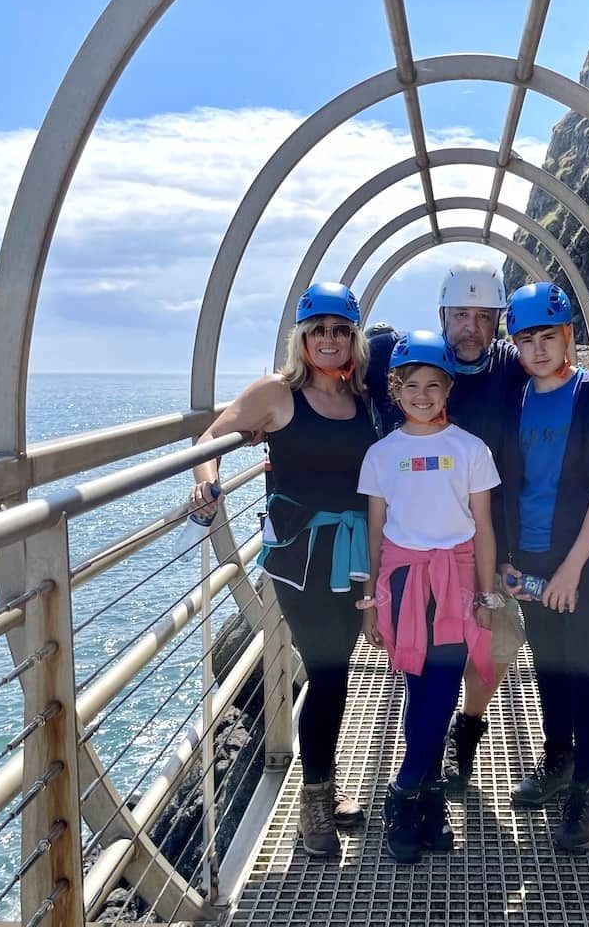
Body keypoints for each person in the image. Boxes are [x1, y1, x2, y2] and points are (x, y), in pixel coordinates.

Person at [366, 260, 589, 794]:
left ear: (499, 323)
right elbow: (340, 372)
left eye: (484, 316)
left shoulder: (511, 364)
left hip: (498, 539)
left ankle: (466, 733)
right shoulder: (420, 365)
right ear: (442, 316)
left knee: (496, 649)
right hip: (430, 540)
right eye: (461, 315)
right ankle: (424, 762)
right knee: (428, 654)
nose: (472, 327)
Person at [190, 281, 376, 859]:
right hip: (300, 558)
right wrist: (207, 485)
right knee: (327, 670)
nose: (329, 339)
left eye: (340, 330)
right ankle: (314, 800)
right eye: (318, 330)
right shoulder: (277, 392)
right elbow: (209, 438)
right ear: (302, 337)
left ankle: (325, 783)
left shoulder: (363, 397)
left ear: (353, 338)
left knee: (336, 671)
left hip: (352, 556)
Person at [356, 331, 501, 863]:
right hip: (403, 582)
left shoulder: (470, 449)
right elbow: (375, 531)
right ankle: (430, 802)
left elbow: (483, 527)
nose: (422, 395)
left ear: (449, 389)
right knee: (419, 690)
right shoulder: (381, 454)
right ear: (395, 390)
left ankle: (402, 791)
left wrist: (487, 594)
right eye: (411, 385)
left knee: (441, 689)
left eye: (434, 385)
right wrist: (370, 601)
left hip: (456, 580)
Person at [501, 282, 589, 853]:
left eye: (547, 336)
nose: (538, 348)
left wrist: (573, 567)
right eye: (526, 338)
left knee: (584, 670)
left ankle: (586, 787)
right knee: (548, 664)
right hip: (529, 556)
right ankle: (558, 760)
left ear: (568, 336)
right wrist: (506, 559)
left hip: (580, 560)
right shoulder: (516, 399)